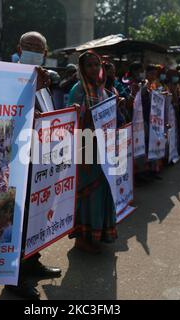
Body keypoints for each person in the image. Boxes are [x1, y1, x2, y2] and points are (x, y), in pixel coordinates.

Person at [5, 31, 61, 300]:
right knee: (18, 221)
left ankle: (33, 262)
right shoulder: (6, 77)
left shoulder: (44, 80)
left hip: (40, 164)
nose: (32, 51)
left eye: (38, 49)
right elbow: (8, 117)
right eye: (28, 46)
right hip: (16, 163)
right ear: (18, 48)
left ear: (45, 54)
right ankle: (14, 279)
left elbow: (47, 116)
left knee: (36, 217)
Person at [68, 50, 117, 254]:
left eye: (97, 64)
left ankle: (99, 233)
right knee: (87, 193)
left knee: (103, 189)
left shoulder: (103, 89)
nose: (94, 69)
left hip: (103, 148)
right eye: (89, 65)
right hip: (86, 146)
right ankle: (82, 237)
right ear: (82, 68)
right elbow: (72, 122)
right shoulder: (78, 90)